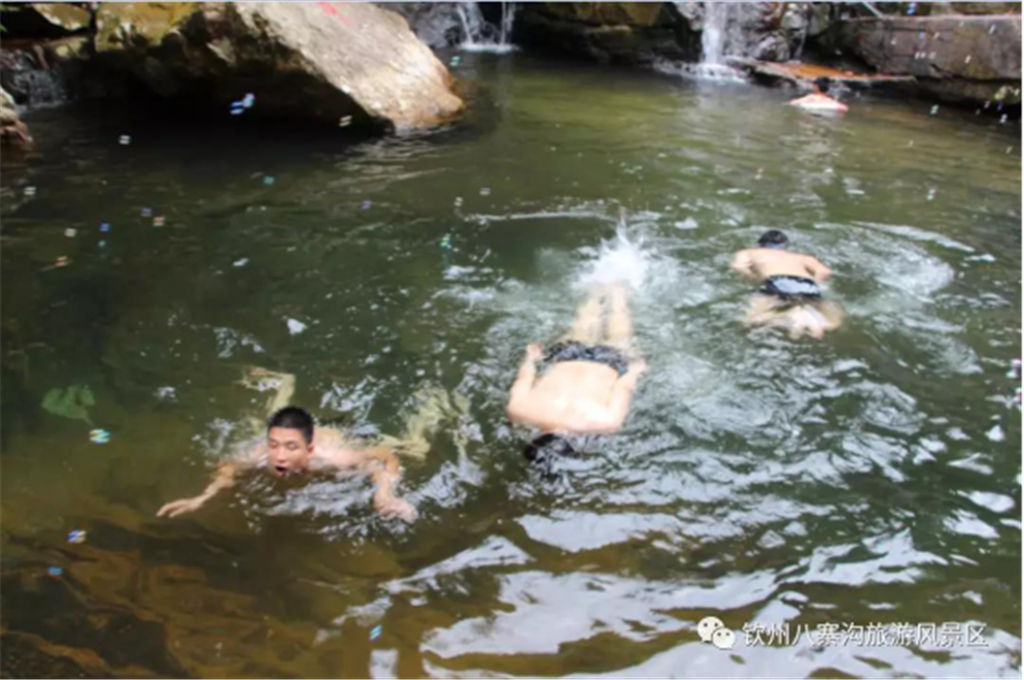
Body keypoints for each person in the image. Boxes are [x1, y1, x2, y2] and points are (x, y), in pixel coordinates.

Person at [156, 371, 418, 522]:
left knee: (417, 449)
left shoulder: (334, 458)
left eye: (290, 448)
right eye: (274, 446)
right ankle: (283, 382)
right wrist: (203, 497)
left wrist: (384, 494)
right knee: (272, 420)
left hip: (340, 433)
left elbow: (385, 457)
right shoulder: (262, 454)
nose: (279, 456)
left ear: (309, 451)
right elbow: (229, 466)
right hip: (299, 429)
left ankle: (428, 407)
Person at [506, 283, 647, 462]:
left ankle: (619, 294)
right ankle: (599, 288)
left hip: (607, 363)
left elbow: (623, 388)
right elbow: (524, 378)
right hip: (566, 357)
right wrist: (531, 358)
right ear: (534, 440)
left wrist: (634, 372)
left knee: (619, 332)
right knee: (583, 322)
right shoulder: (518, 411)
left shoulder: (605, 423)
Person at [731, 229, 843, 340]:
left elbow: (737, 267)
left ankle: (787, 315)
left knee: (749, 322)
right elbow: (825, 272)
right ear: (784, 246)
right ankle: (804, 315)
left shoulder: (749, 252)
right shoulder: (801, 257)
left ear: (760, 245)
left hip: (778, 281)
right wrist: (813, 285)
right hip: (808, 285)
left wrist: (756, 278)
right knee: (834, 324)